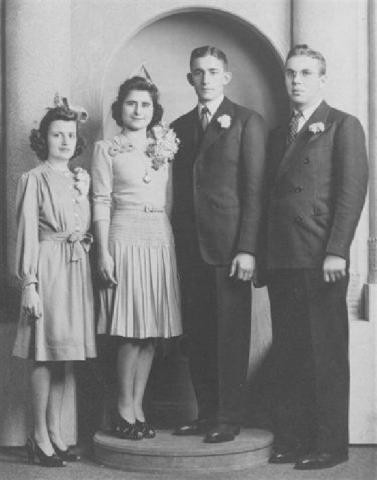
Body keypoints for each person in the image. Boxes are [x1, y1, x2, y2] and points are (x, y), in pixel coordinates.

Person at [262, 44, 368, 469]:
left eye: (306, 73)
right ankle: (292, 438)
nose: (297, 81)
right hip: (283, 257)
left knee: (324, 356)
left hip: (321, 258)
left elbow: (351, 193)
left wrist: (337, 251)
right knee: (289, 354)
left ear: (322, 79)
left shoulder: (343, 125)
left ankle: (329, 446)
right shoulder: (277, 134)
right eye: (291, 73)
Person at [171, 46, 266, 443]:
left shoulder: (247, 121)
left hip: (229, 250)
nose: (206, 78)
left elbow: (255, 190)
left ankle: (228, 418)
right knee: (198, 334)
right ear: (189, 78)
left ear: (226, 76)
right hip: (189, 248)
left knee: (229, 335)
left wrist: (247, 248)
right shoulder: (177, 127)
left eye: (213, 71)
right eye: (198, 72)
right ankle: (206, 412)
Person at [92, 75, 182, 441]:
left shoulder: (164, 144)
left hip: (158, 235)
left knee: (151, 333)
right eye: (131, 103)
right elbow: (99, 201)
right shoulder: (106, 148)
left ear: (154, 110)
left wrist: (163, 234)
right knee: (130, 331)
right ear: (120, 107)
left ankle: (137, 405)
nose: (138, 110)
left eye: (145, 104)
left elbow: (170, 199)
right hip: (123, 235)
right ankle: (122, 408)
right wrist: (103, 251)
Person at [13, 97, 96, 467]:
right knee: (44, 354)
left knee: (66, 355)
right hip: (47, 268)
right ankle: (38, 436)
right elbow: (27, 234)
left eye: (69, 134)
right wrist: (29, 283)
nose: (64, 141)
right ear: (43, 138)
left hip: (75, 269)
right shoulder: (33, 179)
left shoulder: (79, 178)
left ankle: (57, 432)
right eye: (56, 134)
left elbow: (83, 228)